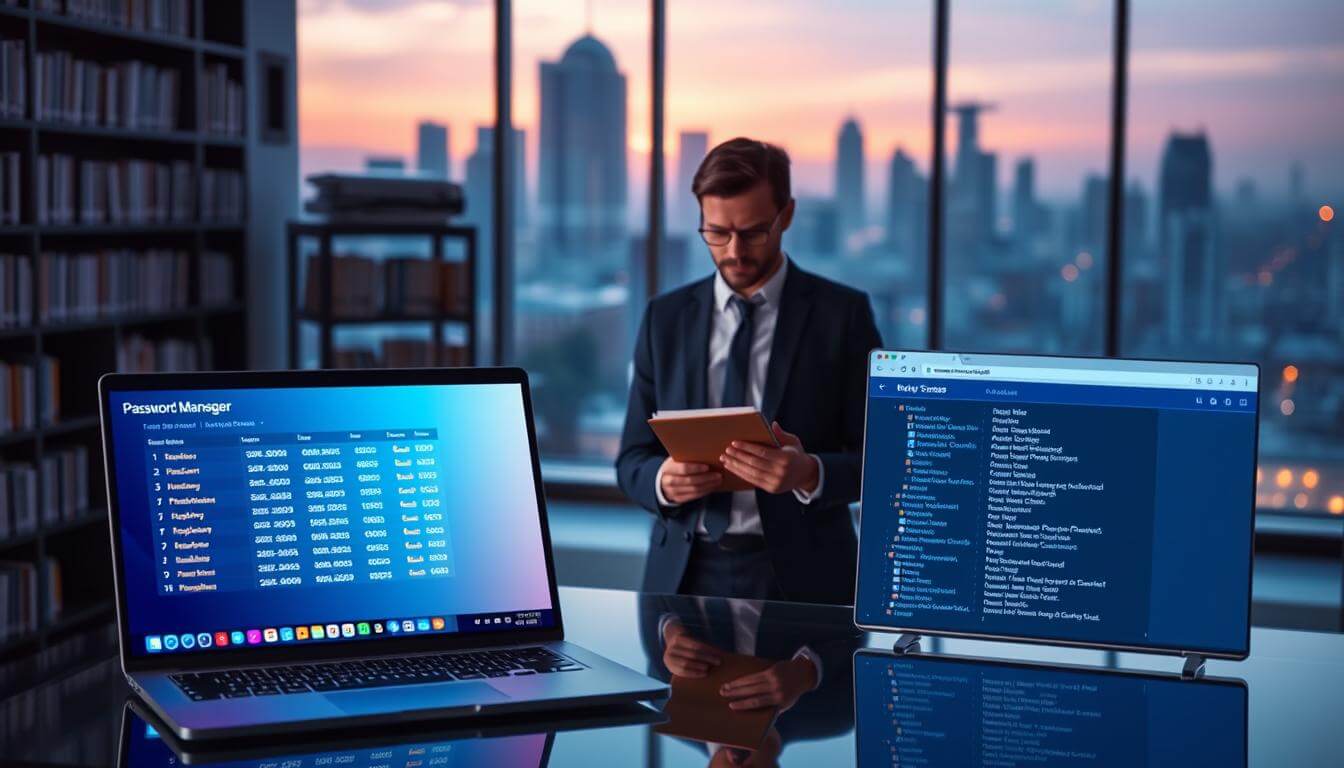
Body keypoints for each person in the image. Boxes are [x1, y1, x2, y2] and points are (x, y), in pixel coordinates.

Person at [616, 137, 883, 605]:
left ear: (787, 215)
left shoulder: (843, 317)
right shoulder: (665, 319)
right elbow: (631, 459)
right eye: (716, 233)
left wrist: (808, 473)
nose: (734, 251)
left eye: (754, 231)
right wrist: (664, 480)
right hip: (681, 576)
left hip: (808, 578)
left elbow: (885, 462)